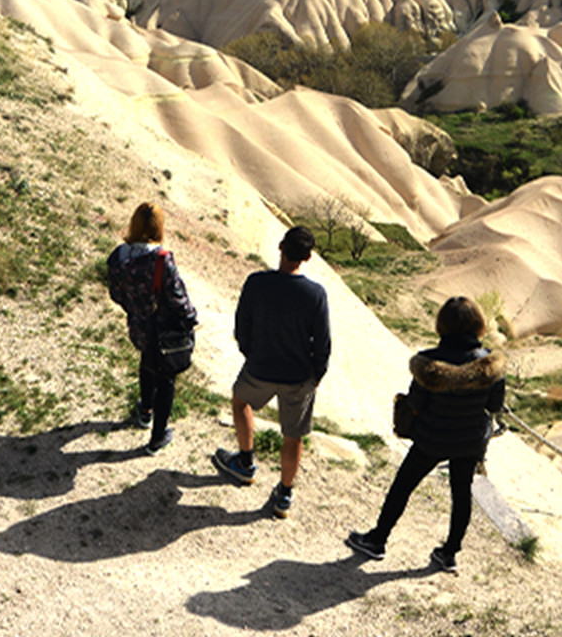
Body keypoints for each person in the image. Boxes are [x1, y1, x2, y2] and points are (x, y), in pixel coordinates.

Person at [345, 296, 507, 574]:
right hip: (469, 441)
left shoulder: (429, 362)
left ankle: (377, 540)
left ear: (442, 325)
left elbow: (416, 405)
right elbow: (493, 407)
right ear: (478, 325)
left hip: (432, 438)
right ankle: (450, 554)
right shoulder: (490, 364)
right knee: (461, 494)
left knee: (403, 486)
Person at [213, 226, 330, 519]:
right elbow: (323, 343)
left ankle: (245, 462)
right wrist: (316, 376)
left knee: (240, 401)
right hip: (299, 377)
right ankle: (285, 495)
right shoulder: (315, 294)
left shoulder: (256, 283)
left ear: (280, 247)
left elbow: (242, 328)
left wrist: (253, 356)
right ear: (308, 257)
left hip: (260, 369)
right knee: (293, 436)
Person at [106, 202, 198, 455]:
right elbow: (178, 298)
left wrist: (136, 309)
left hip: (139, 327)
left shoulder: (117, 258)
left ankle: (145, 411)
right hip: (165, 331)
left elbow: (115, 294)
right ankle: (157, 437)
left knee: (147, 361)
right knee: (166, 380)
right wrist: (191, 319)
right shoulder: (161, 260)